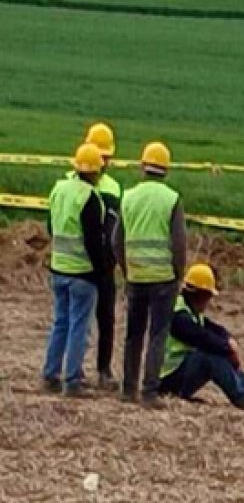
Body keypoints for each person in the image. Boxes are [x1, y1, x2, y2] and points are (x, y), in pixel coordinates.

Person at [115, 141, 187, 408]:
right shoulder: (171, 199)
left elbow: (116, 239)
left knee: (133, 333)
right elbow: (179, 243)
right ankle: (149, 392)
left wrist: (126, 267)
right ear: (166, 169)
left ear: (143, 166)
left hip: (135, 277)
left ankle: (127, 389)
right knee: (158, 335)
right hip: (163, 278)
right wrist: (179, 273)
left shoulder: (128, 196)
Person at [42, 144, 111, 399]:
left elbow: (51, 226)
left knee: (60, 322)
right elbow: (95, 241)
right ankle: (72, 381)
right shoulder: (90, 198)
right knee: (79, 326)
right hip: (83, 273)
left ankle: (50, 373)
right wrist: (102, 272)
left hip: (58, 267)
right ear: (96, 171)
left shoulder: (59, 189)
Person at [158, 264, 244, 412]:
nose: (209, 300)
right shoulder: (179, 317)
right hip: (168, 381)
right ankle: (242, 398)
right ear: (200, 294)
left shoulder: (188, 309)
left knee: (219, 350)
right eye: (208, 295)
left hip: (177, 375)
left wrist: (228, 341)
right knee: (211, 357)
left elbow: (213, 328)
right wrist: (228, 348)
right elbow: (202, 338)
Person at [81, 122, 123, 390]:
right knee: (92, 318)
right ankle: (96, 369)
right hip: (94, 263)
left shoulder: (108, 186)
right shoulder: (109, 187)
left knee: (96, 318)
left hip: (90, 262)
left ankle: (96, 369)